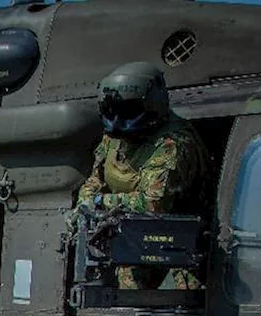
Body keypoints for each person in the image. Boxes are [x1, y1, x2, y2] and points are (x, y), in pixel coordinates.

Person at [74, 61, 209, 290]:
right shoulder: (114, 138)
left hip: (179, 248)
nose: (117, 121)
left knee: (184, 304)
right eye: (110, 112)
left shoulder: (172, 144)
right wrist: (84, 204)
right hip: (135, 239)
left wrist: (98, 203)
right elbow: (95, 179)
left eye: (127, 111)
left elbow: (152, 204)